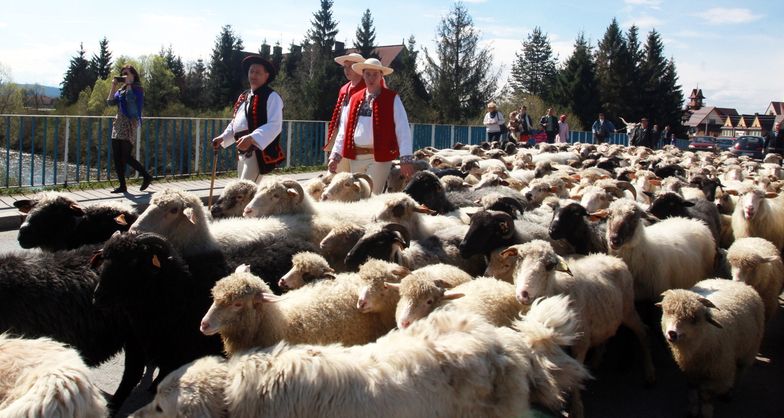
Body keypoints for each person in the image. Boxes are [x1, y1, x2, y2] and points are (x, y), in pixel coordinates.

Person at [328, 58, 413, 195]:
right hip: (355, 157)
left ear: (381, 76)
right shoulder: (355, 98)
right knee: (356, 197)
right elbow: (344, 129)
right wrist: (335, 155)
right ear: (363, 75)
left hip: (379, 157)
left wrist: (406, 159)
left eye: (375, 74)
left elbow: (402, 129)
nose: (371, 78)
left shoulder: (392, 98)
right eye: (368, 74)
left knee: (370, 196)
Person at [212, 54, 284, 182]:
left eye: (258, 73)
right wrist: (223, 137)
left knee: (245, 192)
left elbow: (275, 125)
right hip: (242, 154)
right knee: (243, 192)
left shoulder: (272, 97)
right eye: (251, 72)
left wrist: (251, 138)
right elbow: (237, 123)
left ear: (266, 76)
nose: (253, 75)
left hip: (257, 153)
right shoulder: (244, 96)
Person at [106, 64, 152, 193]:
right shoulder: (120, 90)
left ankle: (146, 176)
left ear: (133, 75)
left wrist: (129, 85)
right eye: (123, 74)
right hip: (118, 123)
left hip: (129, 124)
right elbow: (110, 102)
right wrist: (113, 86)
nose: (124, 76)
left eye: (127, 73)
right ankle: (122, 186)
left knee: (125, 156)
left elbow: (132, 103)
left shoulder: (138, 89)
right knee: (117, 156)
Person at [324, 52, 366, 173]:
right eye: (345, 67)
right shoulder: (344, 89)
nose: (347, 70)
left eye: (351, 67)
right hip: (342, 139)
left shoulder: (367, 88)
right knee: (336, 177)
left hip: (359, 142)